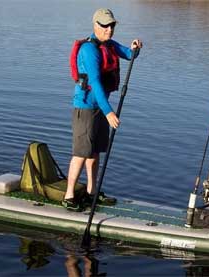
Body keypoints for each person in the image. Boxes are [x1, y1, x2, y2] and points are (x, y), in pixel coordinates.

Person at [63, 8, 143, 211]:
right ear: (96, 25)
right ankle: (69, 196)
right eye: (105, 26)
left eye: (112, 25)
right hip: (86, 107)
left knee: (95, 151)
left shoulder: (109, 45)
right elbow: (96, 83)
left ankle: (92, 192)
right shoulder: (89, 50)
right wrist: (109, 112)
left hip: (100, 107)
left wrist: (135, 48)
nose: (109, 29)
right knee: (81, 153)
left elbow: (129, 54)